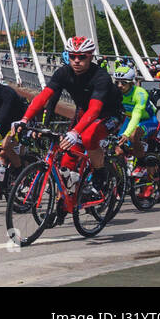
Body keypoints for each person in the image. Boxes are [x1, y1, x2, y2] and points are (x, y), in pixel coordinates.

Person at [13, 36, 121, 205]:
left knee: (88, 137)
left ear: (91, 56)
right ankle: (65, 199)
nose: (76, 61)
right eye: (72, 56)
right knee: (66, 159)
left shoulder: (101, 77)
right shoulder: (63, 72)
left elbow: (95, 110)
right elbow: (43, 98)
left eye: (82, 57)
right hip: (84, 112)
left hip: (109, 114)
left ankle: (100, 175)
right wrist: (25, 119)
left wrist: (75, 132)